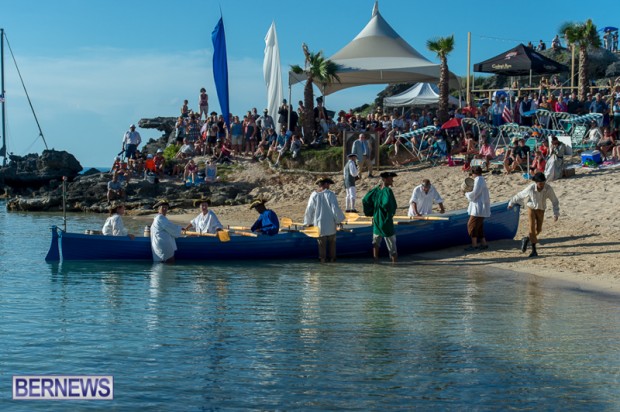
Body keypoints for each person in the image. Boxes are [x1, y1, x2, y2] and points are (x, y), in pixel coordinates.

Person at [508, 172, 560, 257]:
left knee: (538, 230)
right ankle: (534, 251)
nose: (542, 185)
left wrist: (556, 213)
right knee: (531, 228)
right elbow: (520, 195)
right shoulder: (531, 188)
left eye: (543, 183)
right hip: (531, 208)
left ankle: (526, 239)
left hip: (541, 210)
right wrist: (511, 203)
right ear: (536, 182)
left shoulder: (548, 189)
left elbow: (555, 201)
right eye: (540, 183)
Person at [303, 177, 346, 263]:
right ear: (326, 184)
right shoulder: (330, 194)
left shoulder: (314, 195)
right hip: (330, 225)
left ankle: (323, 263)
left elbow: (309, 209)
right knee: (332, 245)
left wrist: (308, 222)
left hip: (319, 225)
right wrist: (338, 221)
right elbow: (334, 208)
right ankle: (332, 263)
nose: (329, 186)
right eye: (328, 184)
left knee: (321, 246)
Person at [365, 171, 398, 263]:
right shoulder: (388, 191)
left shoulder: (376, 190)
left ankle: (375, 262)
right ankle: (394, 265)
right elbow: (387, 203)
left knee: (376, 243)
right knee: (392, 246)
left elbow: (365, 199)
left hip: (376, 220)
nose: (392, 180)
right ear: (385, 179)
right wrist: (390, 213)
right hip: (385, 221)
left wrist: (371, 212)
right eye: (391, 178)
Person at [464, 166, 490, 251]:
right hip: (481, 206)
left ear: (474, 173)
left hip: (479, 207)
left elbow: (475, 193)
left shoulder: (478, 180)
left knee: (471, 225)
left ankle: (474, 245)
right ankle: (484, 243)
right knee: (479, 226)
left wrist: (466, 194)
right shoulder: (481, 179)